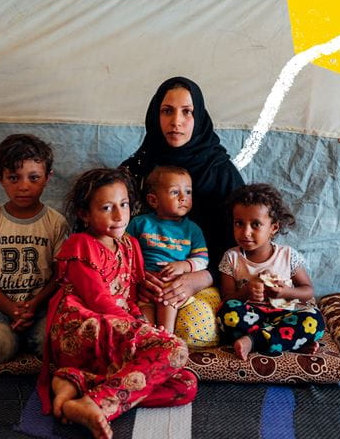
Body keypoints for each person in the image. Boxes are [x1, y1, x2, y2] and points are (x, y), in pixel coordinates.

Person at [37, 168, 197, 439]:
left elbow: (131, 298)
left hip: (115, 332)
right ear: (84, 214)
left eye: (123, 205)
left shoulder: (130, 245)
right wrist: (143, 332)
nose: (119, 215)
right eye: (107, 207)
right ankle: (94, 402)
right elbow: (99, 301)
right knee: (173, 348)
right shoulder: (80, 245)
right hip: (83, 329)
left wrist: (142, 326)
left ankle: (76, 393)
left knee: (185, 385)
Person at [121, 76, 245, 347]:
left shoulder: (221, 174)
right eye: (167, 111)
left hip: (205, 282)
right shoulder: (137, 172)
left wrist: (197, 278)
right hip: (140, 285)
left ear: (198, 116)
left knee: (195, 330)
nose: (176, 121)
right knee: (121, 323)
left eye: (186, 112)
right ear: (156, 115)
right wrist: (137, 278)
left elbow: (241, 248)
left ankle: (161, 350)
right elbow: (113, 237)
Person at [0, 134, 69, 364]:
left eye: (34, 178)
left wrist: (34, 304)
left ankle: (23, 334)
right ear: (0, 178)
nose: (24, 186)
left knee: (53, 347)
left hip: (40, 305)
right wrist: (11, 308)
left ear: (47, 178)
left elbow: (60, 273)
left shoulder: (56, 223)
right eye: (14, 178)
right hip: (0, 306)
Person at [215, 184, 326, 360]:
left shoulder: (288, 255)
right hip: (251, 318)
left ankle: (254, 341)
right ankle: (289, 343)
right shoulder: (231, 258)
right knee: (227, 313)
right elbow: (227, 299)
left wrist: (285, 292)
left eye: (256, 224)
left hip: (285, 315)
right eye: (239, 223)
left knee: (314, 319)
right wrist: (245, 292)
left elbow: (307, 291)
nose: (246, 232)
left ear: (273, 228)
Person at [125, 165, 209, 333]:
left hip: (172, 287)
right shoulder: (140, 223)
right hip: (144, 286)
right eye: (174, 192)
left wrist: (183, 266)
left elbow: (202, 260)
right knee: (144, 321)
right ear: (153, 200)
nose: (183, 198)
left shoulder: (192, 230)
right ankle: (148, 338)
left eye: (188, 192)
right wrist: (137, 274)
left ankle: (167, 337)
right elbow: (124, 250)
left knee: (166, 299)